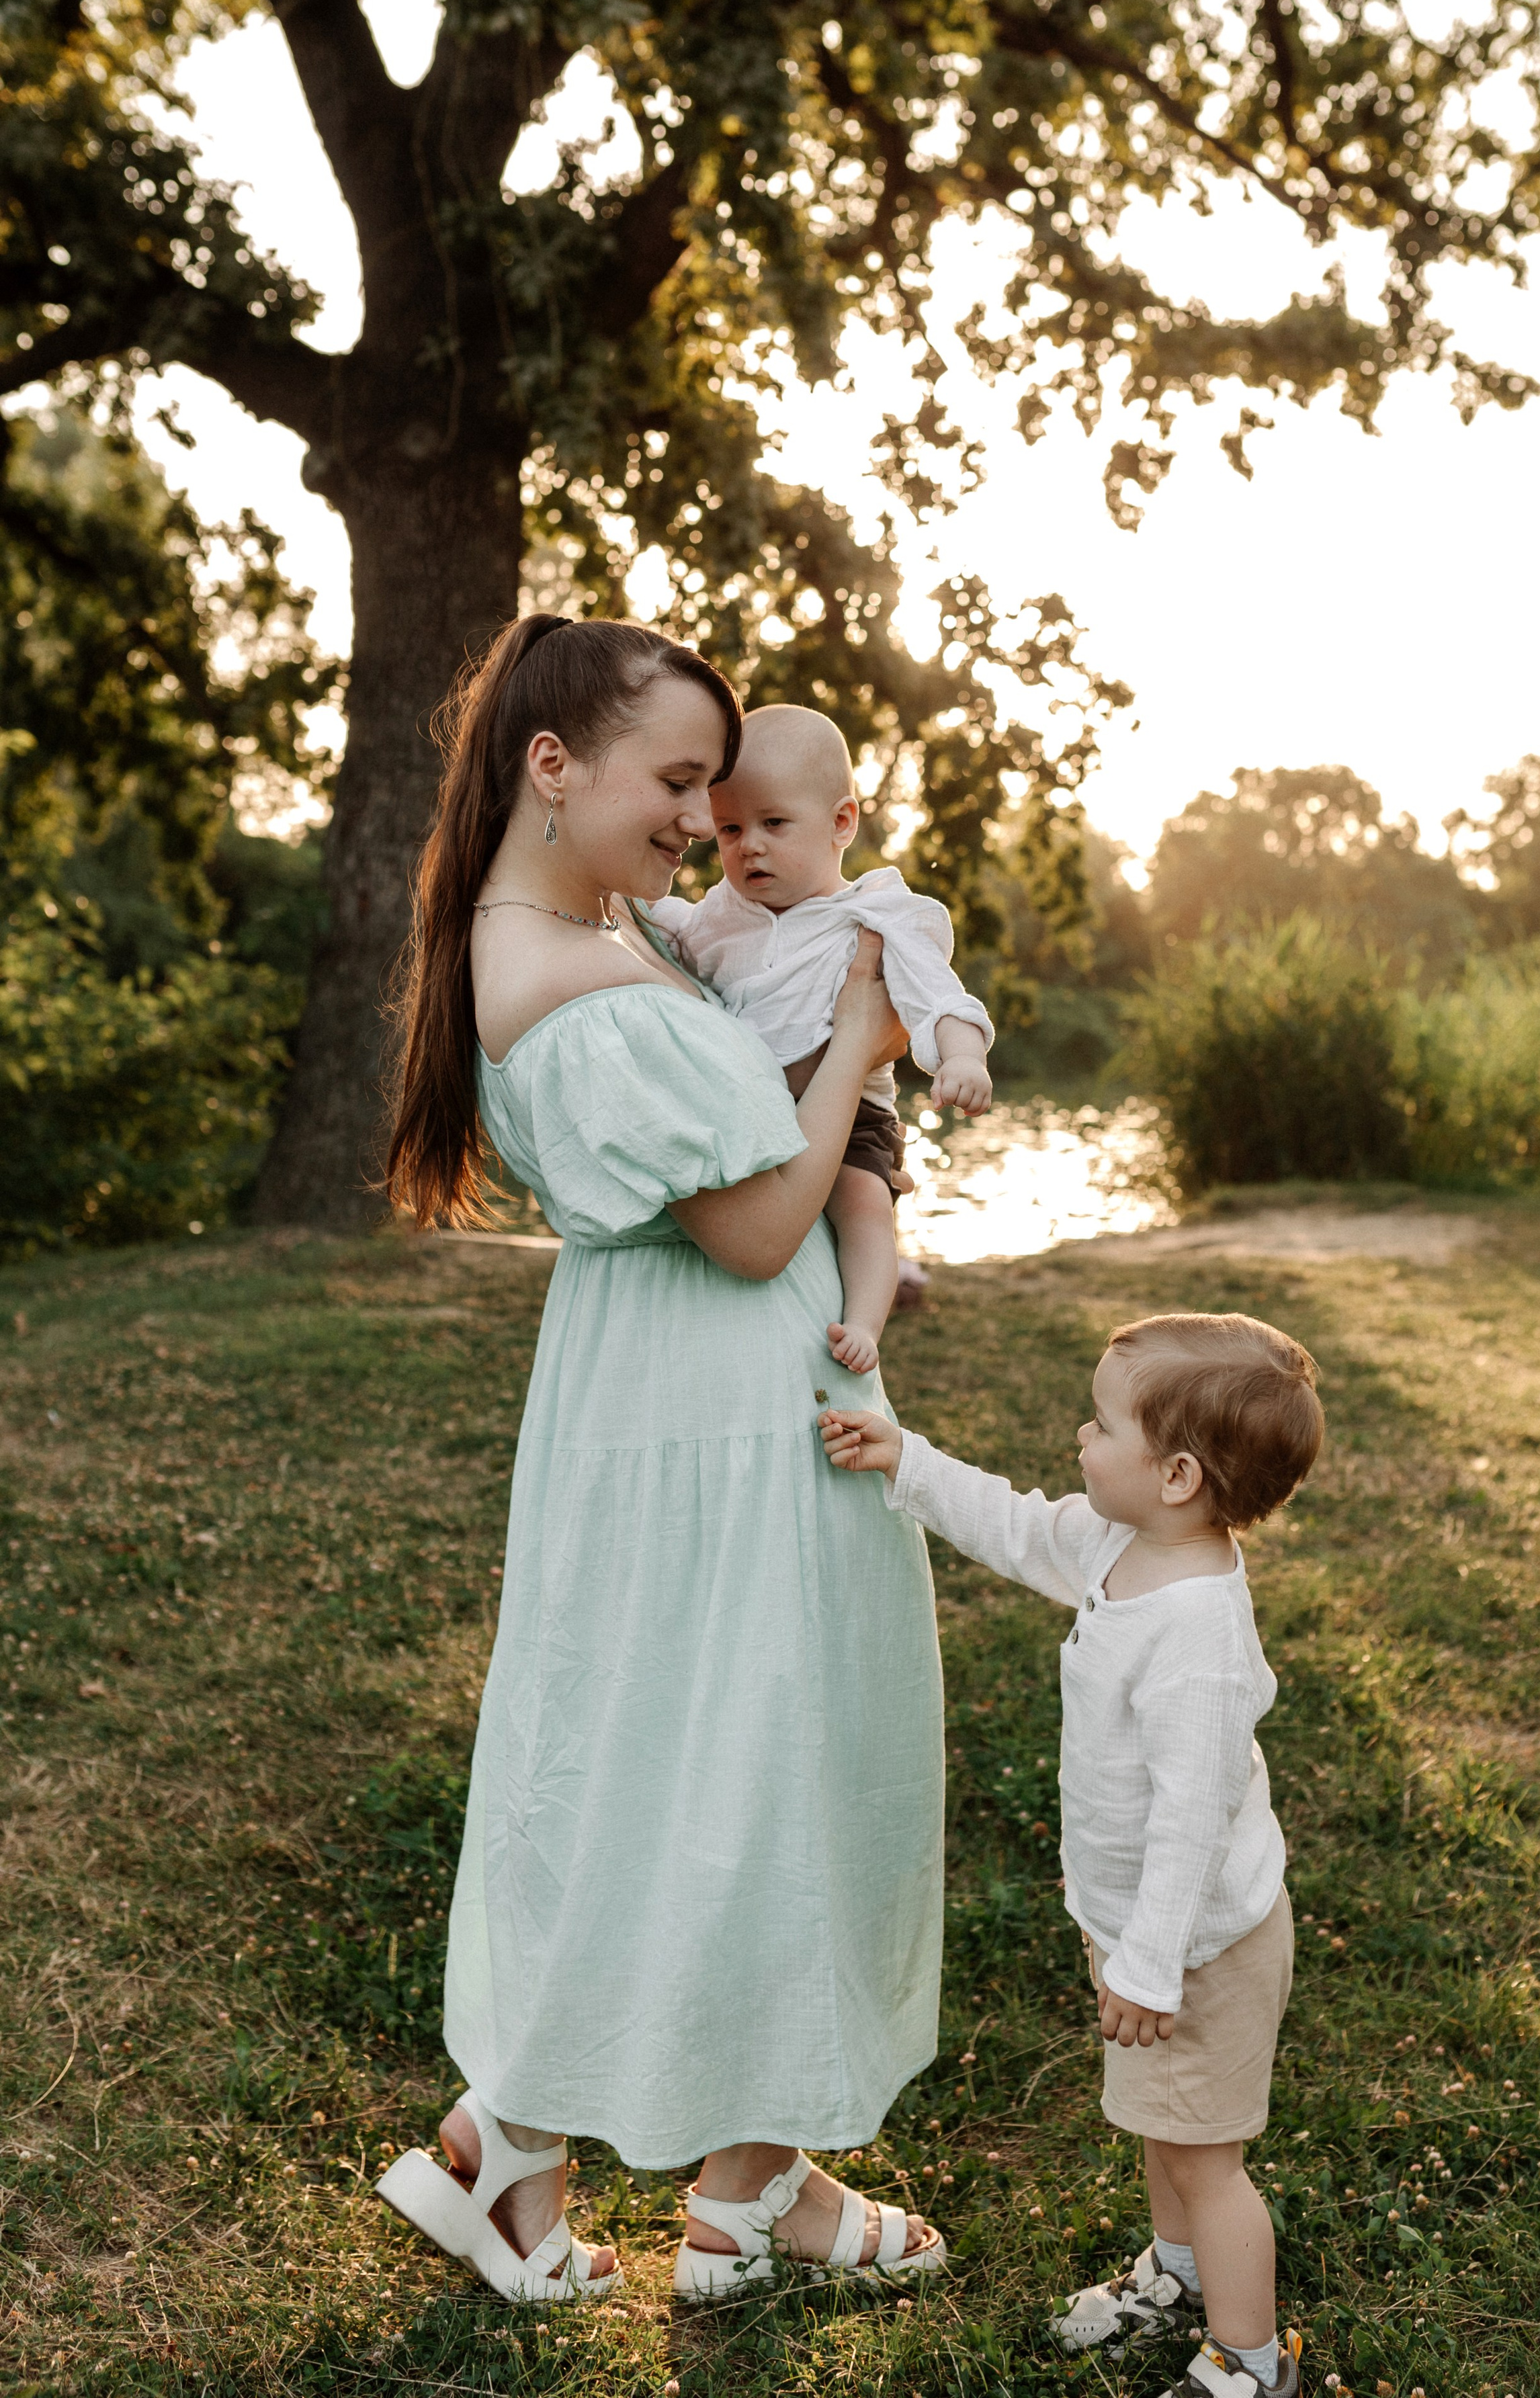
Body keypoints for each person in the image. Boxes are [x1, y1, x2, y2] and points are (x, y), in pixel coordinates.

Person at [376, 614, 947, 2307]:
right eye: (678, 779)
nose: (704, 816)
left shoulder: (574, 917)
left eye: (714, 783)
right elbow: (764, 1227)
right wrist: (858, 1037)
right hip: (703, 1422)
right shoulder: (569, 983)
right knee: (747, 1766)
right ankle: (555, 2156)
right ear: (553, 764)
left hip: (678, 1403)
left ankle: (621, 2161)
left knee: (701, 1764)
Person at [820, 1310, 1325, 2397]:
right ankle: (1176, 2273)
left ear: (1179, 1474)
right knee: (1161, 2127)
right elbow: (1012, 1526)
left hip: (1198, 1950)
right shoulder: (1120, 1544)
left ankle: (1247, 2361)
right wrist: (908, 1459)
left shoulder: (1197, 1639)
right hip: (1140, 1937)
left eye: (1101, 1425)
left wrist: (1149, 1966)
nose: (1078, 1440)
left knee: (1206, 2155)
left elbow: (1192, 1825)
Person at [649, 701, 993, 1376]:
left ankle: (866, 1318)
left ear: (841, 822)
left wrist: (962, 1054)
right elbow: (668, 931)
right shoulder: (717, 919)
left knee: (862, 1202)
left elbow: (937, 993)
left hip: (853, 1109)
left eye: (774, 823)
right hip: (754, 1110)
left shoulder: (874, 913)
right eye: (729, 828)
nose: (750, 845)